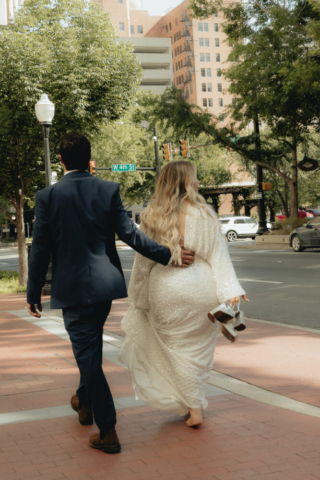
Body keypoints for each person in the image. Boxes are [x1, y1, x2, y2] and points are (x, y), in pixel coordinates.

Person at [26, 133, 195, 454]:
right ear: (90, 159)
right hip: (104, 288)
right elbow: (131, 235)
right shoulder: (107, 190)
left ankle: (108, 430)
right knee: (87, 351)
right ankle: (84, 401)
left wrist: (33, 291)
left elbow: (41, 249)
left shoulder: (47, 196)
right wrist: (167, 254)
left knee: (87, 355)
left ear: (61, 161)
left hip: (72, 291)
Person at [119, 161, 248, 427]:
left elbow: (144, 263)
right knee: (198, 352)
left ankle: (190, 406)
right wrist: (231, 290)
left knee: (173, 350)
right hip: (201, 289)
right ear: (189, 182)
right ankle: (193, 404)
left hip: (165, 288)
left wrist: (137, 296)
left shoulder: (153, 215)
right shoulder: (205, 214)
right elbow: (218, 256)